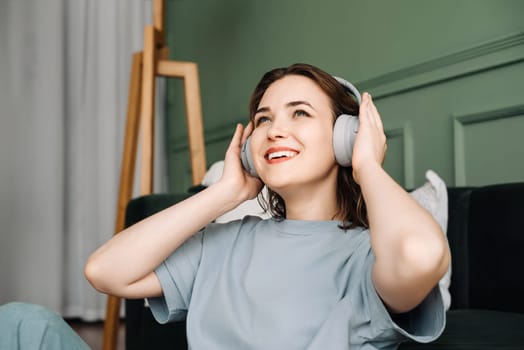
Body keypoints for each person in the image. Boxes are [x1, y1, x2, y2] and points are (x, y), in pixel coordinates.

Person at [0, 63, 450, 349]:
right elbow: (105, 271)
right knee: (21, 323)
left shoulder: (369, 259)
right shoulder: (226, 242)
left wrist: (367, 164)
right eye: (263, 119)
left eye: (300, 113)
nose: (275, 129)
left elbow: (420, 256)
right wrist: (225, 193)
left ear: (345, 136)